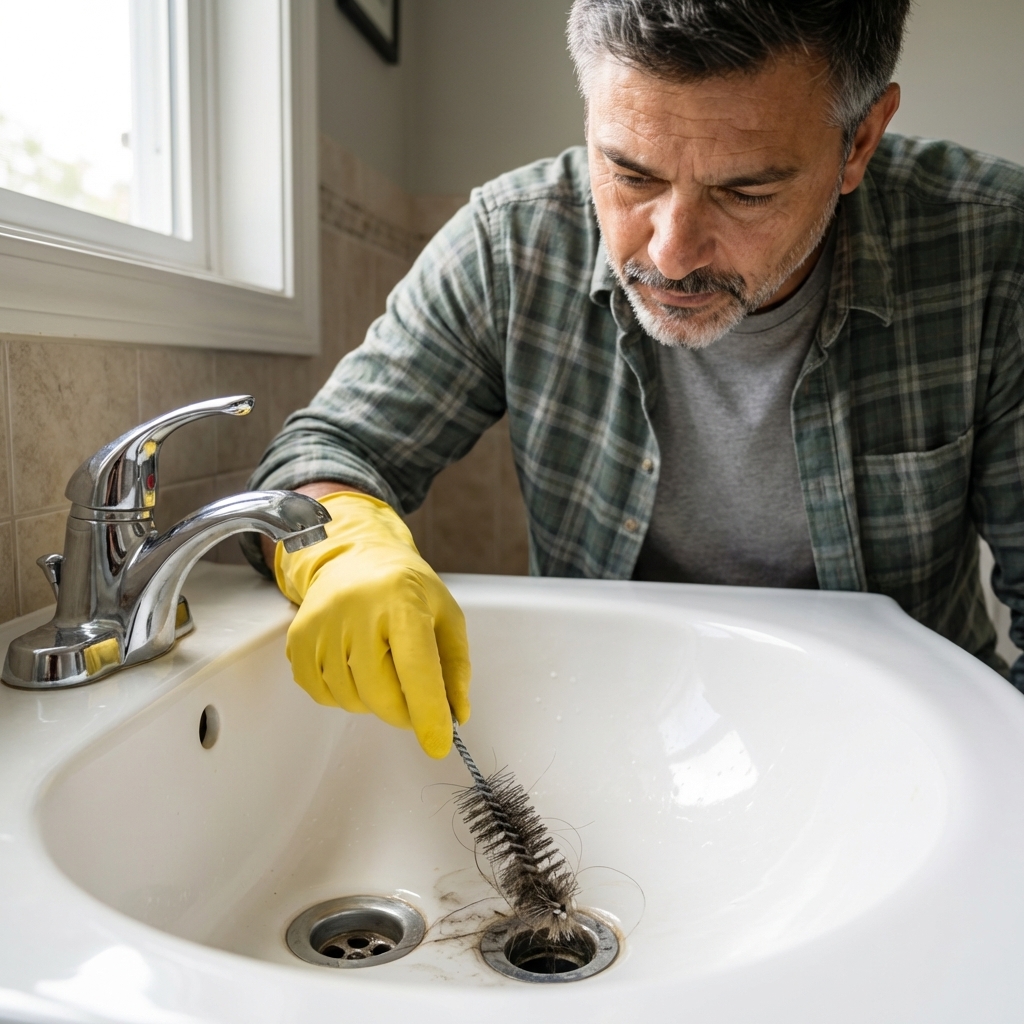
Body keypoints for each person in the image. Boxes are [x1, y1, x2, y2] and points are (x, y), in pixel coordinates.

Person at [245, 0, 1024, 758]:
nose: (672, 250)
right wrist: (343, 546)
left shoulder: (993, 252)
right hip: (610, 735)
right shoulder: (510, 243)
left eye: (745, 191)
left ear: (860, 143)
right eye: (630, 173)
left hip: (911, 754)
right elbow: (324, 450)